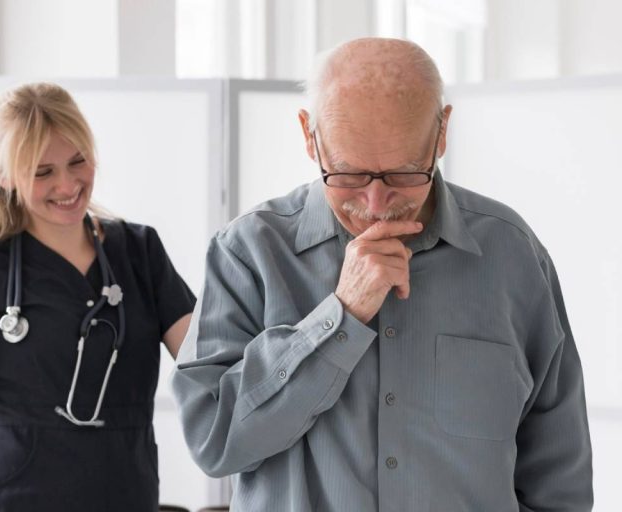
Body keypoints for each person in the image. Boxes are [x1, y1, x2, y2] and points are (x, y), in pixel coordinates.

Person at [171, 38, 593, 511]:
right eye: (348, 175)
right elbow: (214, 442)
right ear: (309, 135)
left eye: (404, 174)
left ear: (442, 133)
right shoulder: (247, 252)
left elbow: (559, 478)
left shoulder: (512, 255)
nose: (374, 205)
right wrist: (340, 317)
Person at [0, 82, 195, 511]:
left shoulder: (140, 254)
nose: (67, 184)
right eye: (43, 172)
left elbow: (208, 364)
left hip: (120, 497)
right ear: (3, 176)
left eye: (78, 161)